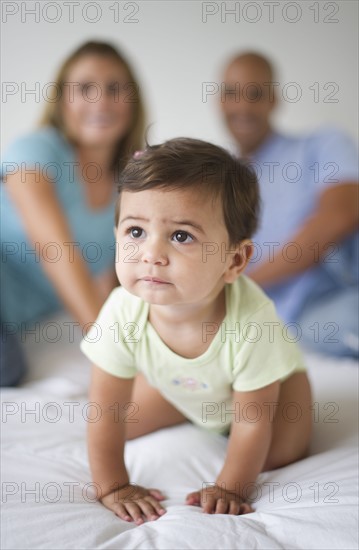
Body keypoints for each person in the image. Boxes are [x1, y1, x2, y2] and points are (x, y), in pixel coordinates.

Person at [80, 138, 312, 522]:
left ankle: (202, 408)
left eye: (181, 236)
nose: (152, 253)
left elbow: (253, 421)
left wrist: (230, 488)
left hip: (270, 395)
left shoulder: (253, 322)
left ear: (234, 260)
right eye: (136, 232)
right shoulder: (123, 309)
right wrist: (114, 485)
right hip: (186, 388)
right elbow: (106, 409)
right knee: (126, 423)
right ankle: (188, 403)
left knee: (278, 452)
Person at [0, 41, 145, 385]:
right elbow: (56, 252)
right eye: (84, 89)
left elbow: (114, 286)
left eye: (114, 88)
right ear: (62, 100)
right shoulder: (35, 151)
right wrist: (115, 358)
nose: (102, 101)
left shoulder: (130, 188)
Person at [220, 52, 359, 358]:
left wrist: (242, 283)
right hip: (297, 316)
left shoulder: (322, 144)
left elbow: (341, 213)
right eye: (232, 93)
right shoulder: (218, 184)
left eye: (255, 94)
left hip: (342, 283)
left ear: (274, 100)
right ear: (219, 100)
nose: (242, 106)